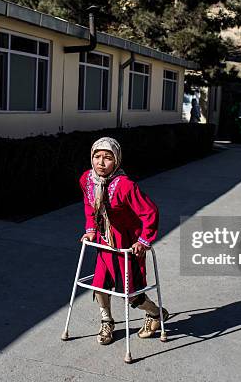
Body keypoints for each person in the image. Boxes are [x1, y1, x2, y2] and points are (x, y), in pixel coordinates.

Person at [79, 137, 168, 345]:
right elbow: (89, 204)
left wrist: (143, 241)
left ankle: (156, 313)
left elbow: (150, 212)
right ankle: (107, 320)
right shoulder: (87, 179)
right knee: (100, 284)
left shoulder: (125, 186)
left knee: (129, 291)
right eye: (97, 157)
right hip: (104, 240)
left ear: (117, 161)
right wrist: (91, 229)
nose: (101, 163)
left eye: (107, 158)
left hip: (127, 242)